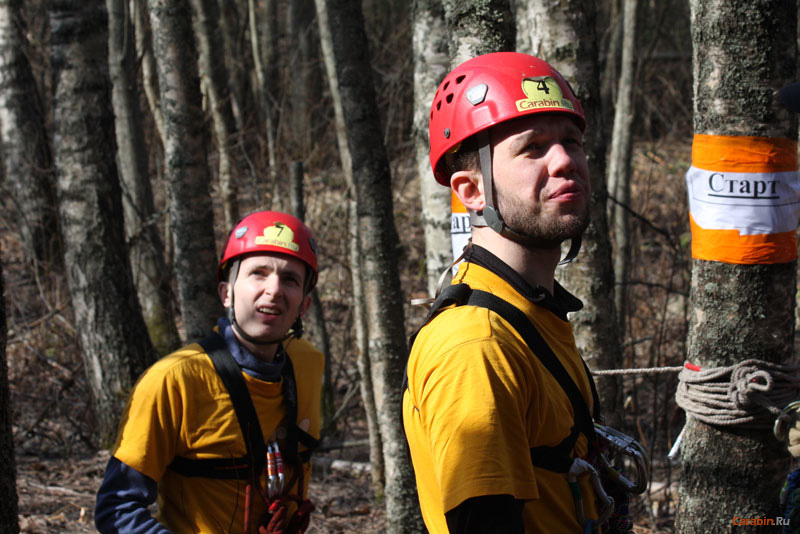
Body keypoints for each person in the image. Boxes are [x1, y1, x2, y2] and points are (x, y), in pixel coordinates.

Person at [402, 52, 609, 534]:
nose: (565, 162)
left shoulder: (531, 308)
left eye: (571, 142)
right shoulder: (476, 345)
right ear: (471, 191)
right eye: (533, 147)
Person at [95, 210, 324, 534]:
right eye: (258, 273)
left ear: (304, 305)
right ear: (226, 293)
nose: (273, 290)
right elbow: (116, 510)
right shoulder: (174, 381)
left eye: (290, 279)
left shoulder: (308, 365)